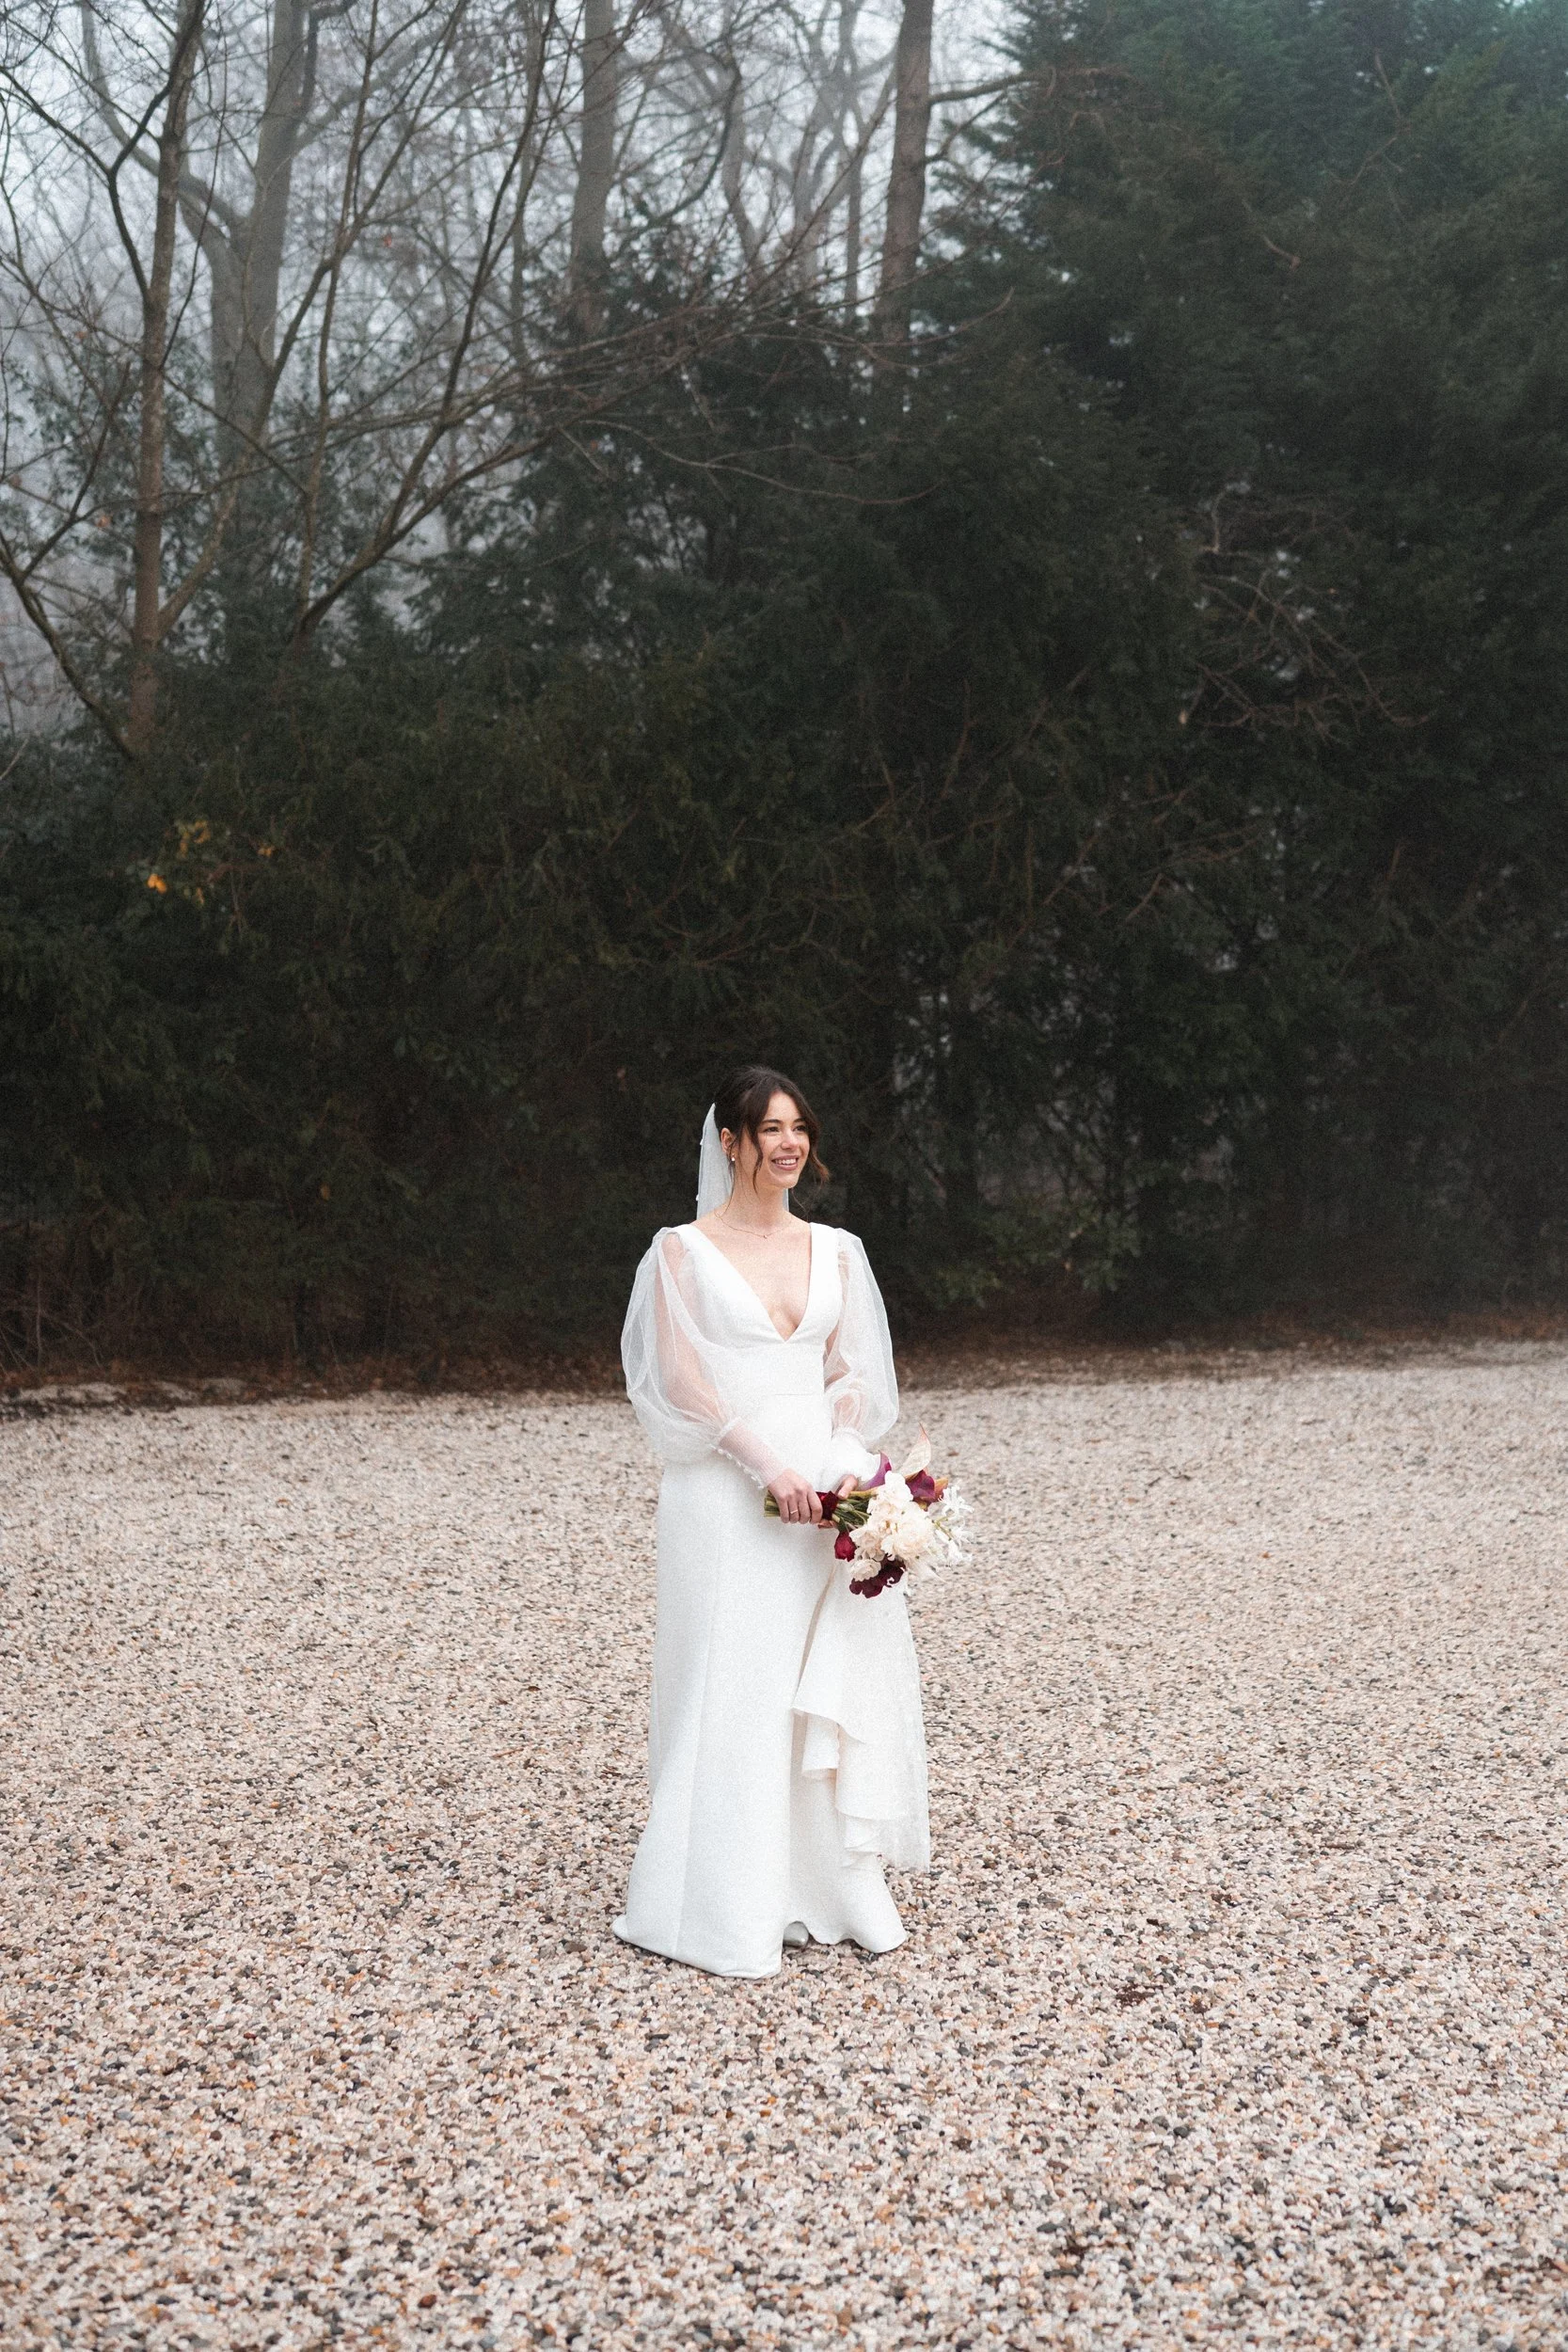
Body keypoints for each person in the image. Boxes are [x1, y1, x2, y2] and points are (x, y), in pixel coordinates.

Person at [615, 1065, 929, 1979]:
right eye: (769, 1129)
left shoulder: (836, 1249)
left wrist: (838, 1450)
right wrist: (767, 1465)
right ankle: (719, 1902)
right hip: (727, 1490)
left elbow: (850, 1370)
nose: (789, 1143)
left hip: (820, 1491)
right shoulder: (681, 1249)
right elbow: (681, 1381)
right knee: (734, 1680)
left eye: (798, 1127)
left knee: (820, 1673)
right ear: (729, 1141)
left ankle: (822, 1882)